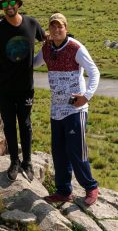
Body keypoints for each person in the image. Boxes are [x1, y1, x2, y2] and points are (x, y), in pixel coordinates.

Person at [34, 13, 100, 206]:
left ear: (65, 27)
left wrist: (86, 95)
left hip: (74, 109)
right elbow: (33, 63)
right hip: (56, 110)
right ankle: (63, 191)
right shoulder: (47, 48)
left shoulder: (75, 47)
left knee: (76, 151)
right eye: (53, 27)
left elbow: (94, 71)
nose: (56, 30)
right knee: (59, 152)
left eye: (60, 27)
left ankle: (91, 187)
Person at [0, 0, 45, 181]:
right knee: (10, 126)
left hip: (25, 87)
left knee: (26, 124)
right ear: (2, 8)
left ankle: (27, 162)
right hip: (3, 87)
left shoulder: (32, 24)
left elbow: (47, 42)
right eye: (4, 5)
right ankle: (14, 162)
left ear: (18, 4)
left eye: (11, 3)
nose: (9, 7)